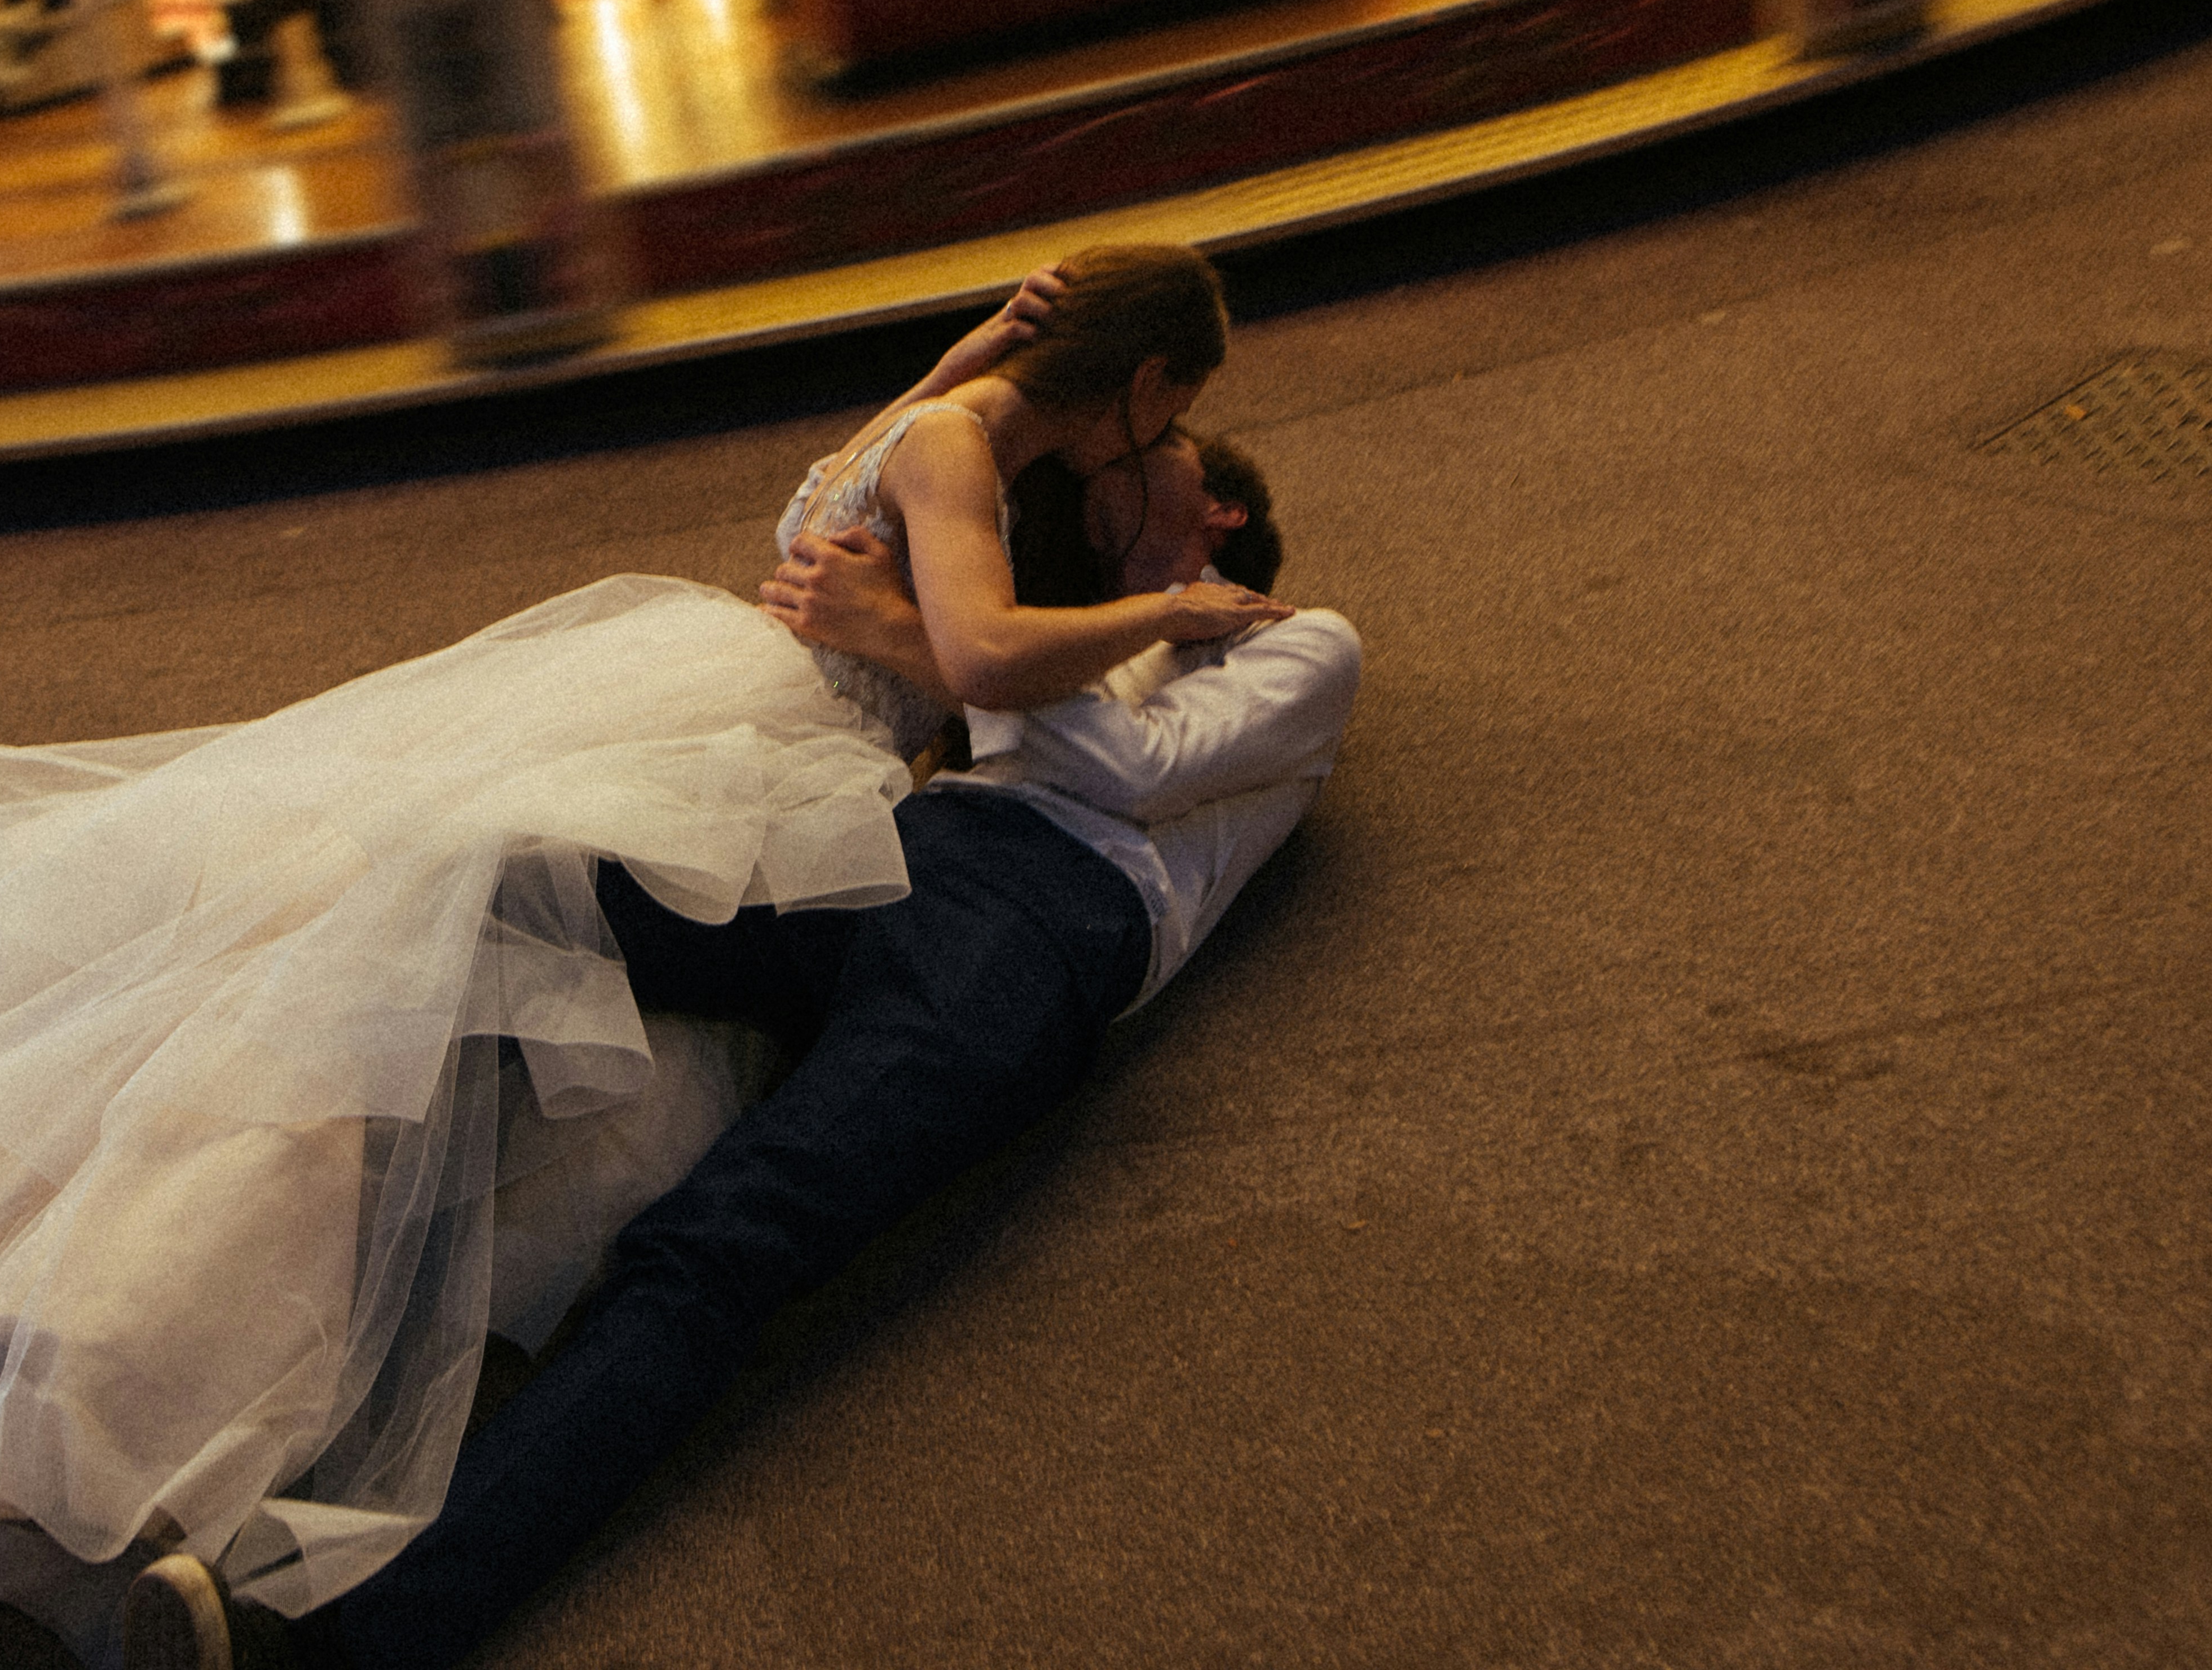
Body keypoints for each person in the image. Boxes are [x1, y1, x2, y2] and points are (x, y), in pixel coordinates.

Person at [0, 248, 1272, 1642]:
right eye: (1160, 413)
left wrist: (960, 464)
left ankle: (76, 1340)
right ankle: (130, 1382)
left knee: (379, 1008)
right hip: (756, 770)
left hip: (701, 713)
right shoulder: (968, 459)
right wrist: (1150, 616)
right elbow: (985, 654)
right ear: (1139, 377)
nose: (1147, 460)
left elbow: (904, 546)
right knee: (439, 1041)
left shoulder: (939, 418)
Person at [124, 422, 1361, 1670]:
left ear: (1221, 527)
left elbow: (1141, 766)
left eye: (1165, 463)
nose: (1121, 469)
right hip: (900, 845)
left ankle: (339, 1638)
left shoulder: (1302, 643)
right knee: (507, 900)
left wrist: (944, 633)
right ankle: (248, 1395)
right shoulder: (1056, 624)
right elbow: (894, 535)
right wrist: (980, 614)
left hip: (1039, 933)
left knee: (714, 1248)